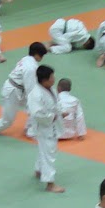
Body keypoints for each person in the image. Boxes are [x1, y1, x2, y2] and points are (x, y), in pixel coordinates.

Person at [0, 41, 46, 136]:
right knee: (7, 121)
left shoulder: (26, 59)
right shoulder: (30, 67)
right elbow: (30, 88)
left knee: (36, 107)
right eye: (42, 55)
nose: (42, 58)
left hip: (17, 88)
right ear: (37, 54)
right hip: (13, 91)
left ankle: (30, 128)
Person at [26, 64, 65, 194]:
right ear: (44, 80)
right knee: (49, 154)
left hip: (52, 125)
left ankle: (39, 170)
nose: (54, 79)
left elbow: (55, 103)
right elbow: (36, 114)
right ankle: (50, 183)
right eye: (51, 77)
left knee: (44, 150)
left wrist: (59, 112)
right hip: (44, 127)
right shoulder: (35, 94)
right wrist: (52, 117)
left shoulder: (50, 88)